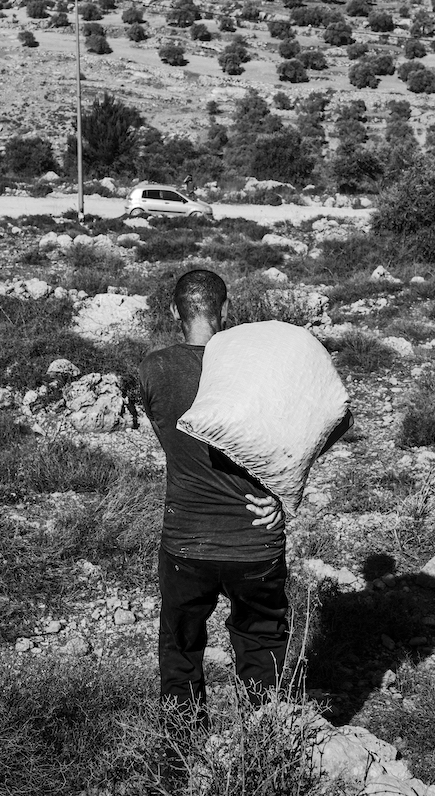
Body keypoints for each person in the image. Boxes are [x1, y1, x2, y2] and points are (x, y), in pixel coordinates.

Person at [138, 269, 348, 717]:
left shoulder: (154, 368)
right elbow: (336, 416)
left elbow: (169, 430)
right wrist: (287, 484)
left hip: (186, 542)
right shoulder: (259, 368)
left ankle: (181, 755)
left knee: (181, 651)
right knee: (261, 648)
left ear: (175, 311)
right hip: (256, 540)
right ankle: (263, 748)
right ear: (226, 311)